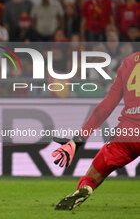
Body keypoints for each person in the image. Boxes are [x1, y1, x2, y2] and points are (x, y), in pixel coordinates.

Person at [52, 51, 140, 210]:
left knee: (93, 175)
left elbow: (105, 108)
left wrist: (78, 139)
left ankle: (85, 188)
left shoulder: (128, 63)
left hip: (126, 135)